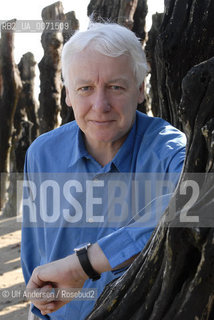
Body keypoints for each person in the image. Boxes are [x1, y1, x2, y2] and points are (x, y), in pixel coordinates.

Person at [21, 21, 186, 319]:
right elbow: (36, 255)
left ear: (139, 90)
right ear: (68, 94)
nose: (101, 105)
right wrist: (39, 308)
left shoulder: (168, 149)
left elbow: (195, 202)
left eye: (115, 87)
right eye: (85, 88)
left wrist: (83, 264)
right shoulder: (41, 154)